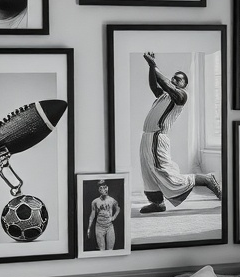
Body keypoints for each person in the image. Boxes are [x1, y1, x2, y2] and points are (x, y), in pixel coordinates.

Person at [139, 52, 222, 214]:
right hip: (147, 137)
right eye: (174, 77)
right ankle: (157, 203)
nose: (175, 80)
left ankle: (206, 179)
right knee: (148, 172)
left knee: (165, 172)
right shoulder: (164, 96)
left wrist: (153, 65)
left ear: (185, 84)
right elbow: (154, 85)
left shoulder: (181, 96)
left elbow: (165, 84)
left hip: (157, 137)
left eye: (179, 79)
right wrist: (151, 68)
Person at [86, 180, 120, 250]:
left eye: (105, 187)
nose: (103, 190)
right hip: (99, 227)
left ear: (107, 188)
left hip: (109, 226)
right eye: (101, 188)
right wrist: (89, 228)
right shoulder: (95, 201)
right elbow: (92, 214)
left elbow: (118, 208)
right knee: (102, 249)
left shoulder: (112, 200)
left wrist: (113, 217)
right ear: (98, 189)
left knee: (110, 249)